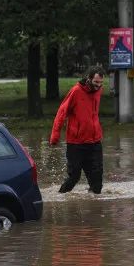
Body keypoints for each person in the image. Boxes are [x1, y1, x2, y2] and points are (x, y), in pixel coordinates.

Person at [50, 66, 106, 194]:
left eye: (101, 83)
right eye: (96, 82)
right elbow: (61, 113)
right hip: (76, 143)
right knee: (73, 178)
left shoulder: (98, 91)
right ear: (89, 79)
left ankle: (94, 209)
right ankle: (59, 198)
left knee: (97, 182)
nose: (98, 85)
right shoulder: (76, 91)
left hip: (95, 141)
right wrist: (55, 135)